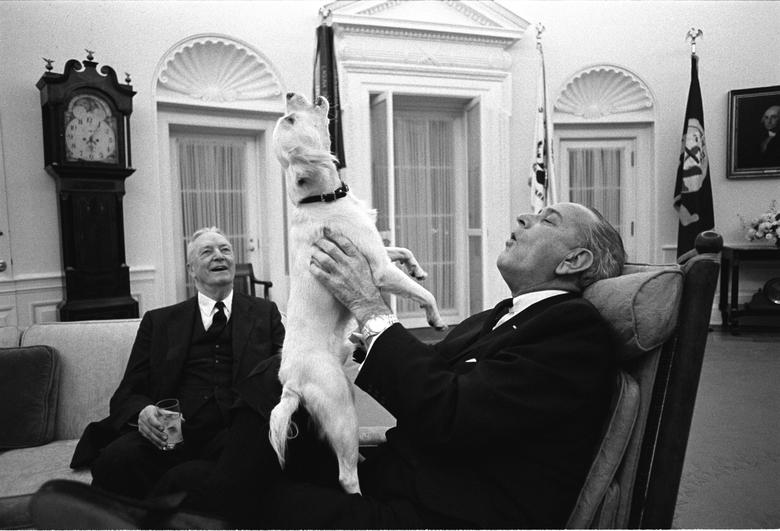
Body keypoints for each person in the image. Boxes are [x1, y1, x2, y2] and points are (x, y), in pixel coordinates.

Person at [37, 202, 625, 529]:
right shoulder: (501, 314)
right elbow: (430, 379)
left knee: (253, 457)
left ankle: (166, 518)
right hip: (400, 474)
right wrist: (354, 319)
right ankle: (161, 513)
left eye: (546, 220)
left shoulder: (572, 333)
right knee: (266, 391)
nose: (521, 218)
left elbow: (451, 412)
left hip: (437, 512)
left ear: (575, 259)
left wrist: (369, 307)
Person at [69, 226, 285, 500]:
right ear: (191, 270)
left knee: (258, 459)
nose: (219, 256)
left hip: (238, 436)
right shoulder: (159, 322)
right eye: (207, 252)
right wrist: (144, 412)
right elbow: (127, 392)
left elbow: (288, 371)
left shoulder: (265, 313)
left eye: (225, 249)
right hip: (173, 435)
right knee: (116, 459)